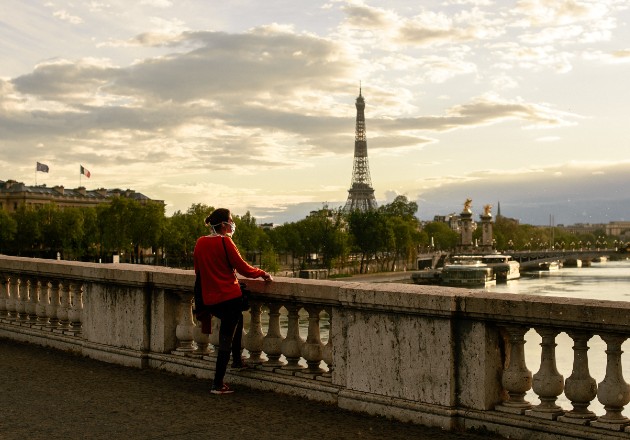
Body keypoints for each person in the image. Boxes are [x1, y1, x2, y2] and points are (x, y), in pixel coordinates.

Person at [193, 208, 273, 395]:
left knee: (237, 321)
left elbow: (199, 270)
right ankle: (218, 383)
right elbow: (243, 268)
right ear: (222, 225)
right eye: (230, 220)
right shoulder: (225, 242)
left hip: (210, 299)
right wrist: (262, 273)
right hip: (229, 297)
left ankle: (237, 360)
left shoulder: (200, 242)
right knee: (225, 339)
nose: (232, 224)